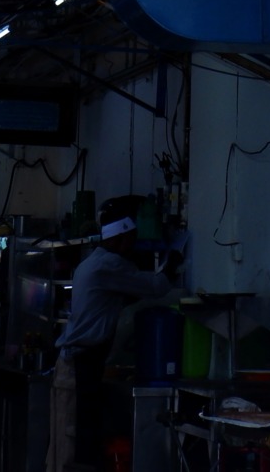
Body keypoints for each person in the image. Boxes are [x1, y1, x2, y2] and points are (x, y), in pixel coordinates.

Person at [50, 198, 179, 472]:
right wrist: (172, 265)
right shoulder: (109, 265)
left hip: (78, 364)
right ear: (121, 238)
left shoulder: (93, 263)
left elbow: (115, 303)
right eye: (131, 239)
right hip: (78, 366)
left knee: (68, 444)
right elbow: (155, 287)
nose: (133, 247)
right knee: (72, 446)